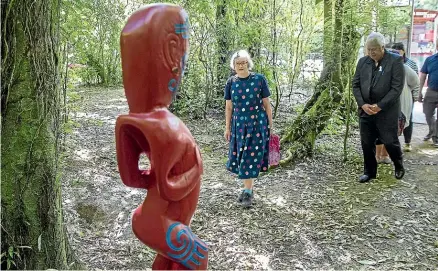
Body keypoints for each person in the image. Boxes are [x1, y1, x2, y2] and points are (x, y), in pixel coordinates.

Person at [352, 32, 405, 183]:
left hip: (387, 111)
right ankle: (369, 172)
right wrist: (363, 104)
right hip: (366, 109)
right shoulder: (363, 62)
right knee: (367, 142)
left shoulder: (395, 61)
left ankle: (398, 164)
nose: (371, 52)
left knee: (390, 141)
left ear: (382, 47)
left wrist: (380, 106)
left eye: (374, 49)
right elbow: (355, 85)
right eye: (368, 49)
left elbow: (396, 88)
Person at [224, 49, 273, 207]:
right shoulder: (231, 82)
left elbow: (266, 104)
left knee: (249, 157)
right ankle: (248, 189)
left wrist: (270, 125)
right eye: (238, 63)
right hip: (239, 125)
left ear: (248, 64)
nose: (241, 65)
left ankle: (248, 192)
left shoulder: (259, 79)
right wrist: (227, 128)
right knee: (242, 157)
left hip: (257, 123)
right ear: (233, 66)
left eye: (244, 62)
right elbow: (229, 107)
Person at [376, 50, 420, 161]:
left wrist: (413, 95)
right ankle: (377, 155)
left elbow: (415, 82)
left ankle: (385, 155)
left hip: (398, 106)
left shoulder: (405, 69)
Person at [418, 39, 438, 148]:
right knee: (427, 112)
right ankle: (432, 130)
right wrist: (419, 91)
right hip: (431, 91)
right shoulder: (430, 59)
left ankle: (436, 137)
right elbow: (423, 76)